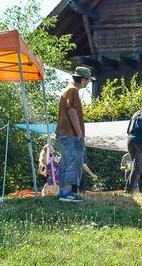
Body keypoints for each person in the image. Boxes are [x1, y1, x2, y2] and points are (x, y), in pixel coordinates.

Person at [56, 66, 95, 202]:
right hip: (70, 134)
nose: (88, 82)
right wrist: (79, 133)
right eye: (88, 80)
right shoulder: (72, 90)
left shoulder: (68, 89)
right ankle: (67, 193)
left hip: (64, 133)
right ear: (83, 79)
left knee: (66, 161)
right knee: (73, 161)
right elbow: (72, 111)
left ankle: (62, 192)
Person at [125, 99, 142, 193]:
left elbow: (128, 130)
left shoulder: (135, 113)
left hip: (130, 140)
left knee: (140, 165)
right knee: (137, 166)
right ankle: (128, 189)